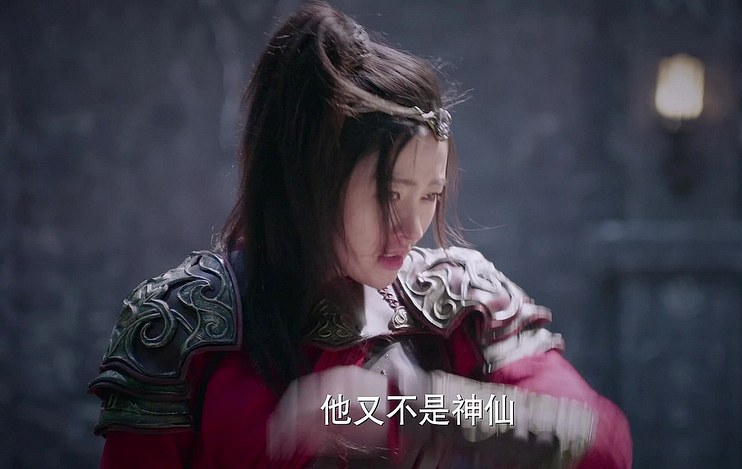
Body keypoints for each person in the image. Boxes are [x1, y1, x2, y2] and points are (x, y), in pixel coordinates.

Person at [88, 2, 632, 468]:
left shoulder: (456, 301)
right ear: (309, 177)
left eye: (431, 195)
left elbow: (602, 445)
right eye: (389, 194)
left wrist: (414, 406)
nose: (413, 228)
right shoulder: (182, 325)